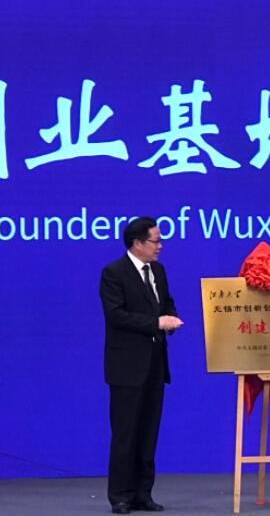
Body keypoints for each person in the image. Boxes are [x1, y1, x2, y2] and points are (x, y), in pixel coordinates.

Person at [100, 217, 183, 514]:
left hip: (155, 365)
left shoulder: (158, 271)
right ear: (137, 243)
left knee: (149, 433)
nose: (160, 246)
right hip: (126, 367)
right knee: (125, 435)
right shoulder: (113, 273)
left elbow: (166, 303)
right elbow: (116, 315)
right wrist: (156, 323)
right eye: (155, 241)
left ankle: (143, 494)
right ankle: (120, 496)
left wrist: (170, 319)